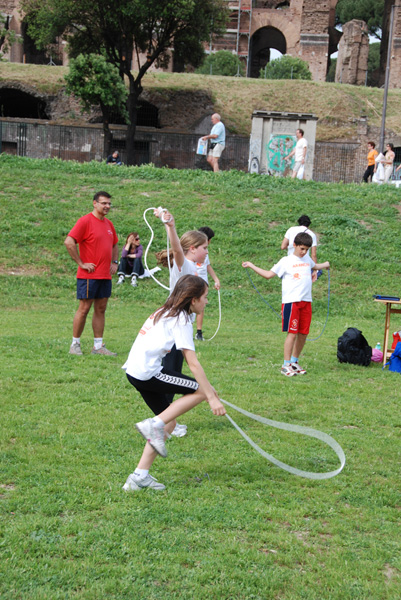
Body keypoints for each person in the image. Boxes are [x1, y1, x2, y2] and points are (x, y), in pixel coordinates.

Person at [122, 275, 226, 491]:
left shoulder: (166, 310)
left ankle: (139, 477)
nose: (207, 302)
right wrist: (211, 397)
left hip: (134, 371)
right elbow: (193, 364)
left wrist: (210, 392)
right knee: (199, 392)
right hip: (148, 373)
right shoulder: (181, 321)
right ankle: (153, 424)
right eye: (205, 297)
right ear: (193, 300)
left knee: (169, 422)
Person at [242, 232, 330, 377]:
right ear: (294, 245)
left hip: (306, 302)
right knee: (292, 333)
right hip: (291, 302)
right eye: (301, 248)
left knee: (303, 333)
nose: (304, 252)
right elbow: (268, 275)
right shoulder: (286, 261)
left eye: (307, 249)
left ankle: (294, 362)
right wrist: (251, 265)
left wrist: (326, 265)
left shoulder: (307, 259)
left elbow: (315, 266)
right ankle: (286, 364)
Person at [155, 208, 209, 435]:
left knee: (173, 371)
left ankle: (166, 420)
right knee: (170, 373)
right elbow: (176, 248)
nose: (207, 252)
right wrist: (171, 227)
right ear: (193, 249)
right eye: (205, 248)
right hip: (172, 327)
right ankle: (164, 423)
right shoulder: (184, 265)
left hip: (179, 325)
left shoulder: (194, 268)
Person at [64, 191, 118, 356]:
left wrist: (114, 263)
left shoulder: (109, 224)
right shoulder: (85, 221)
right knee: (84, 308)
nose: (107, 206)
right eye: (104, 203)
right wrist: (81, 263)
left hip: (104, 276)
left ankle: (98, 346)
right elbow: (69, 241)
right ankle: (75, 344)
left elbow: (115, 244)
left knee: (101, 309)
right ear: (95, 203)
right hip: (88, 276)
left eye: (109, 203)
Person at [195, 226, 220, 341]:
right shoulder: (193, 250)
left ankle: (199, 332)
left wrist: (216, 279)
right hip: (192, 281)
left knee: (201, 306)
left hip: (203, 282)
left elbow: (207, 265)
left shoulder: (205, 252)